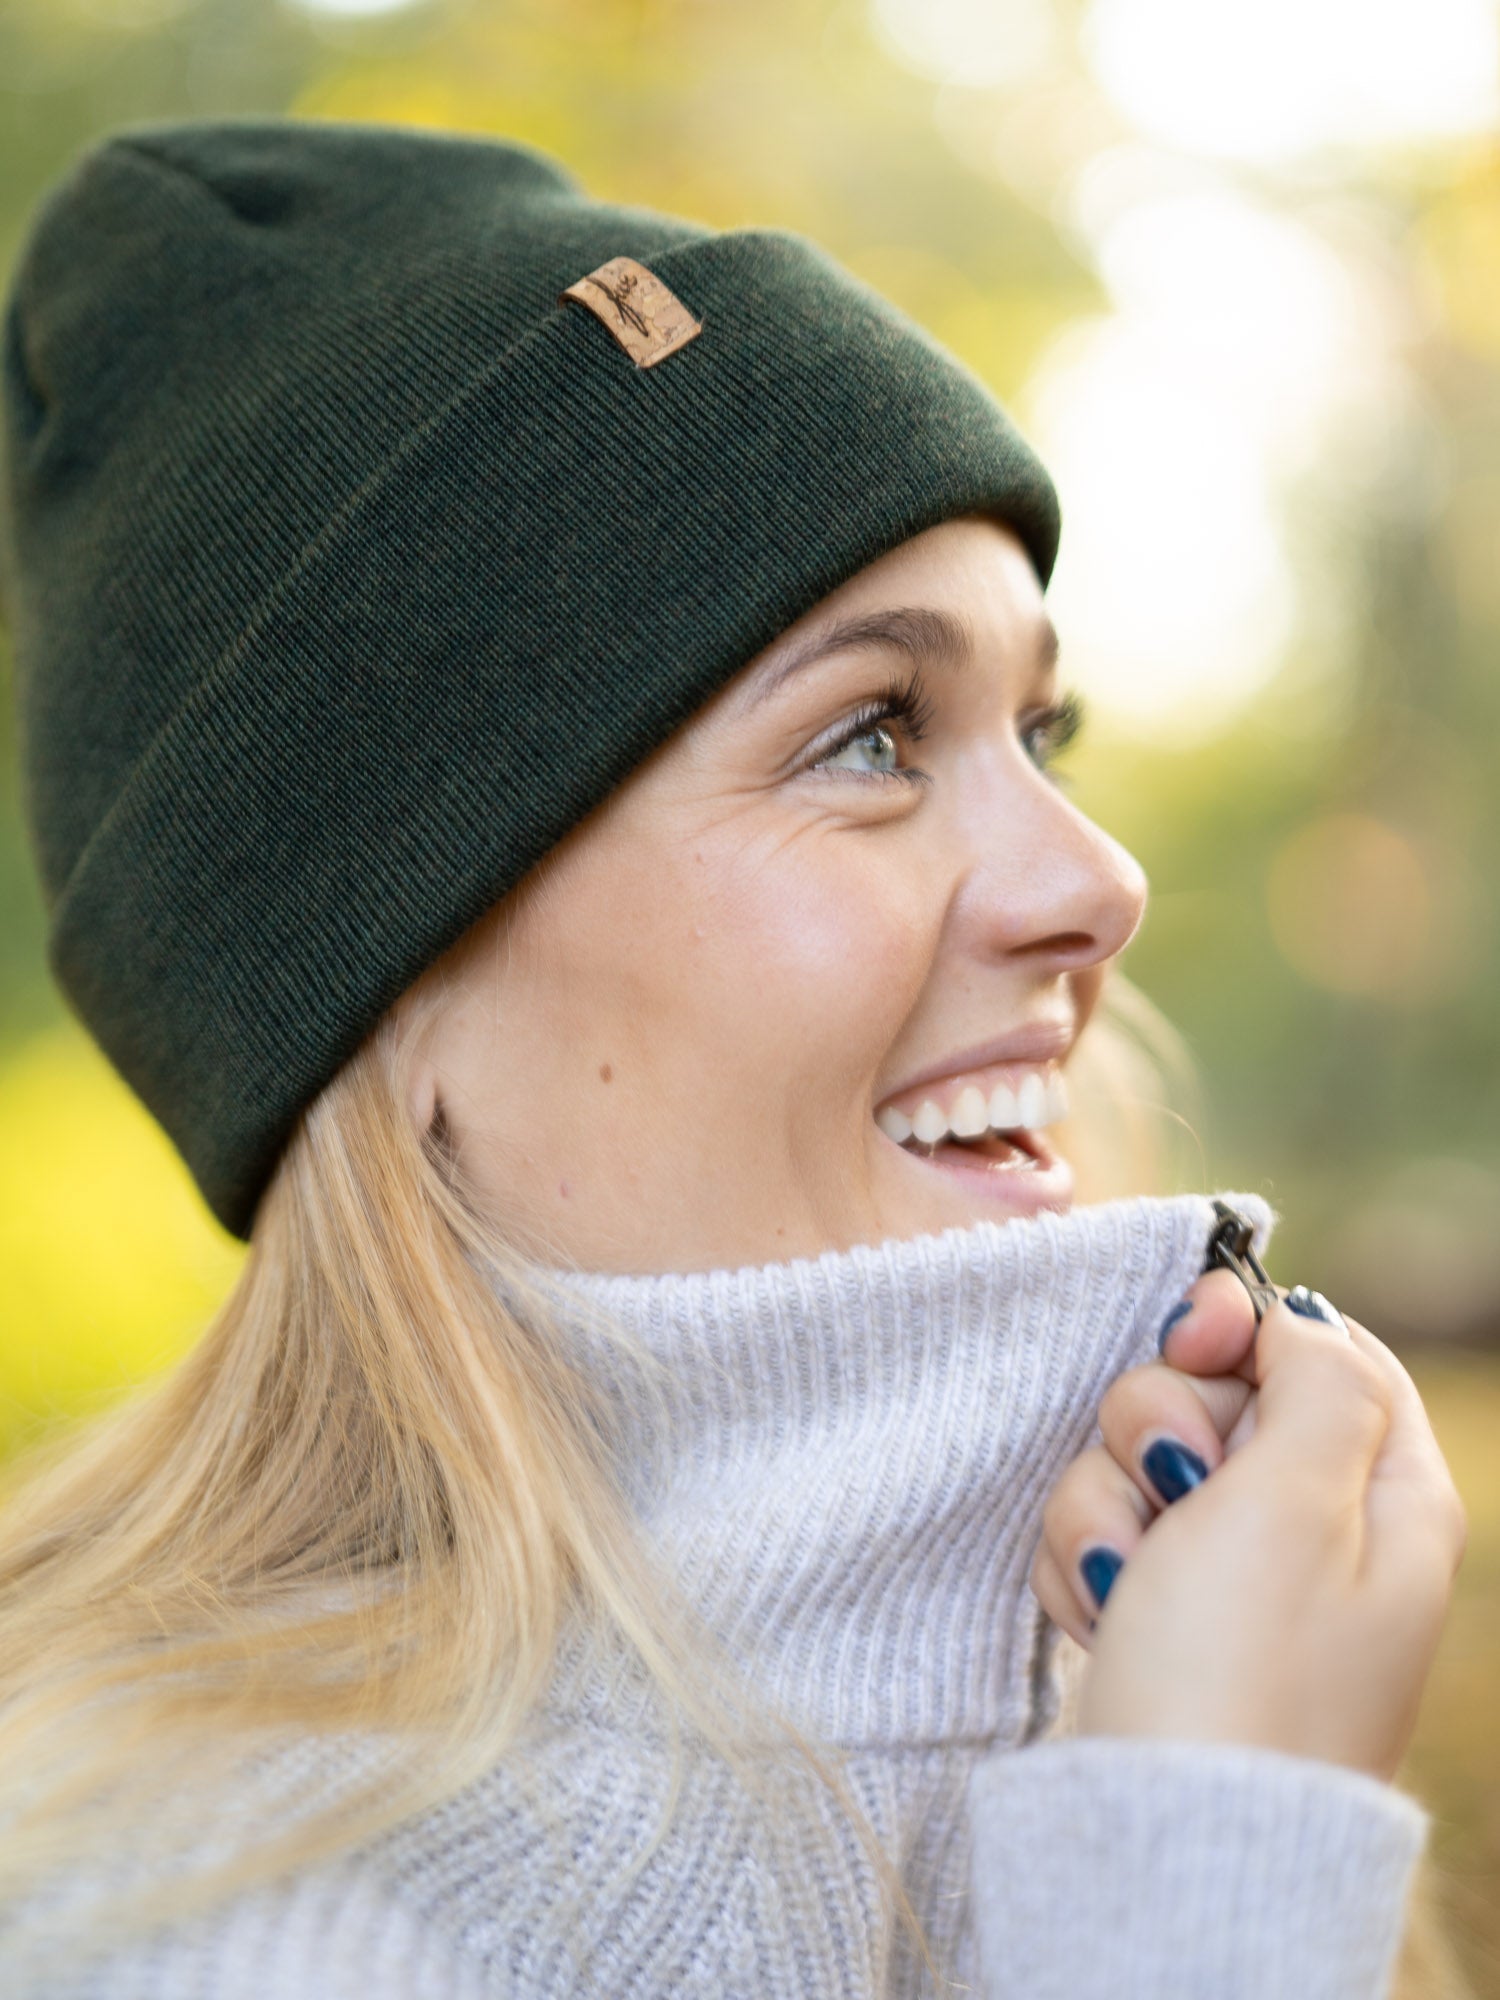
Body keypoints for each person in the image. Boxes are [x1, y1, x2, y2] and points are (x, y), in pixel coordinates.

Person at [0, 117, 1469, 1998]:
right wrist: (1205, 1882)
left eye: (1046, 725)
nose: (1099, 880)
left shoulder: (1171, 1683)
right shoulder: (188, 1929)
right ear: (388, 998)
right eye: (870, 734)